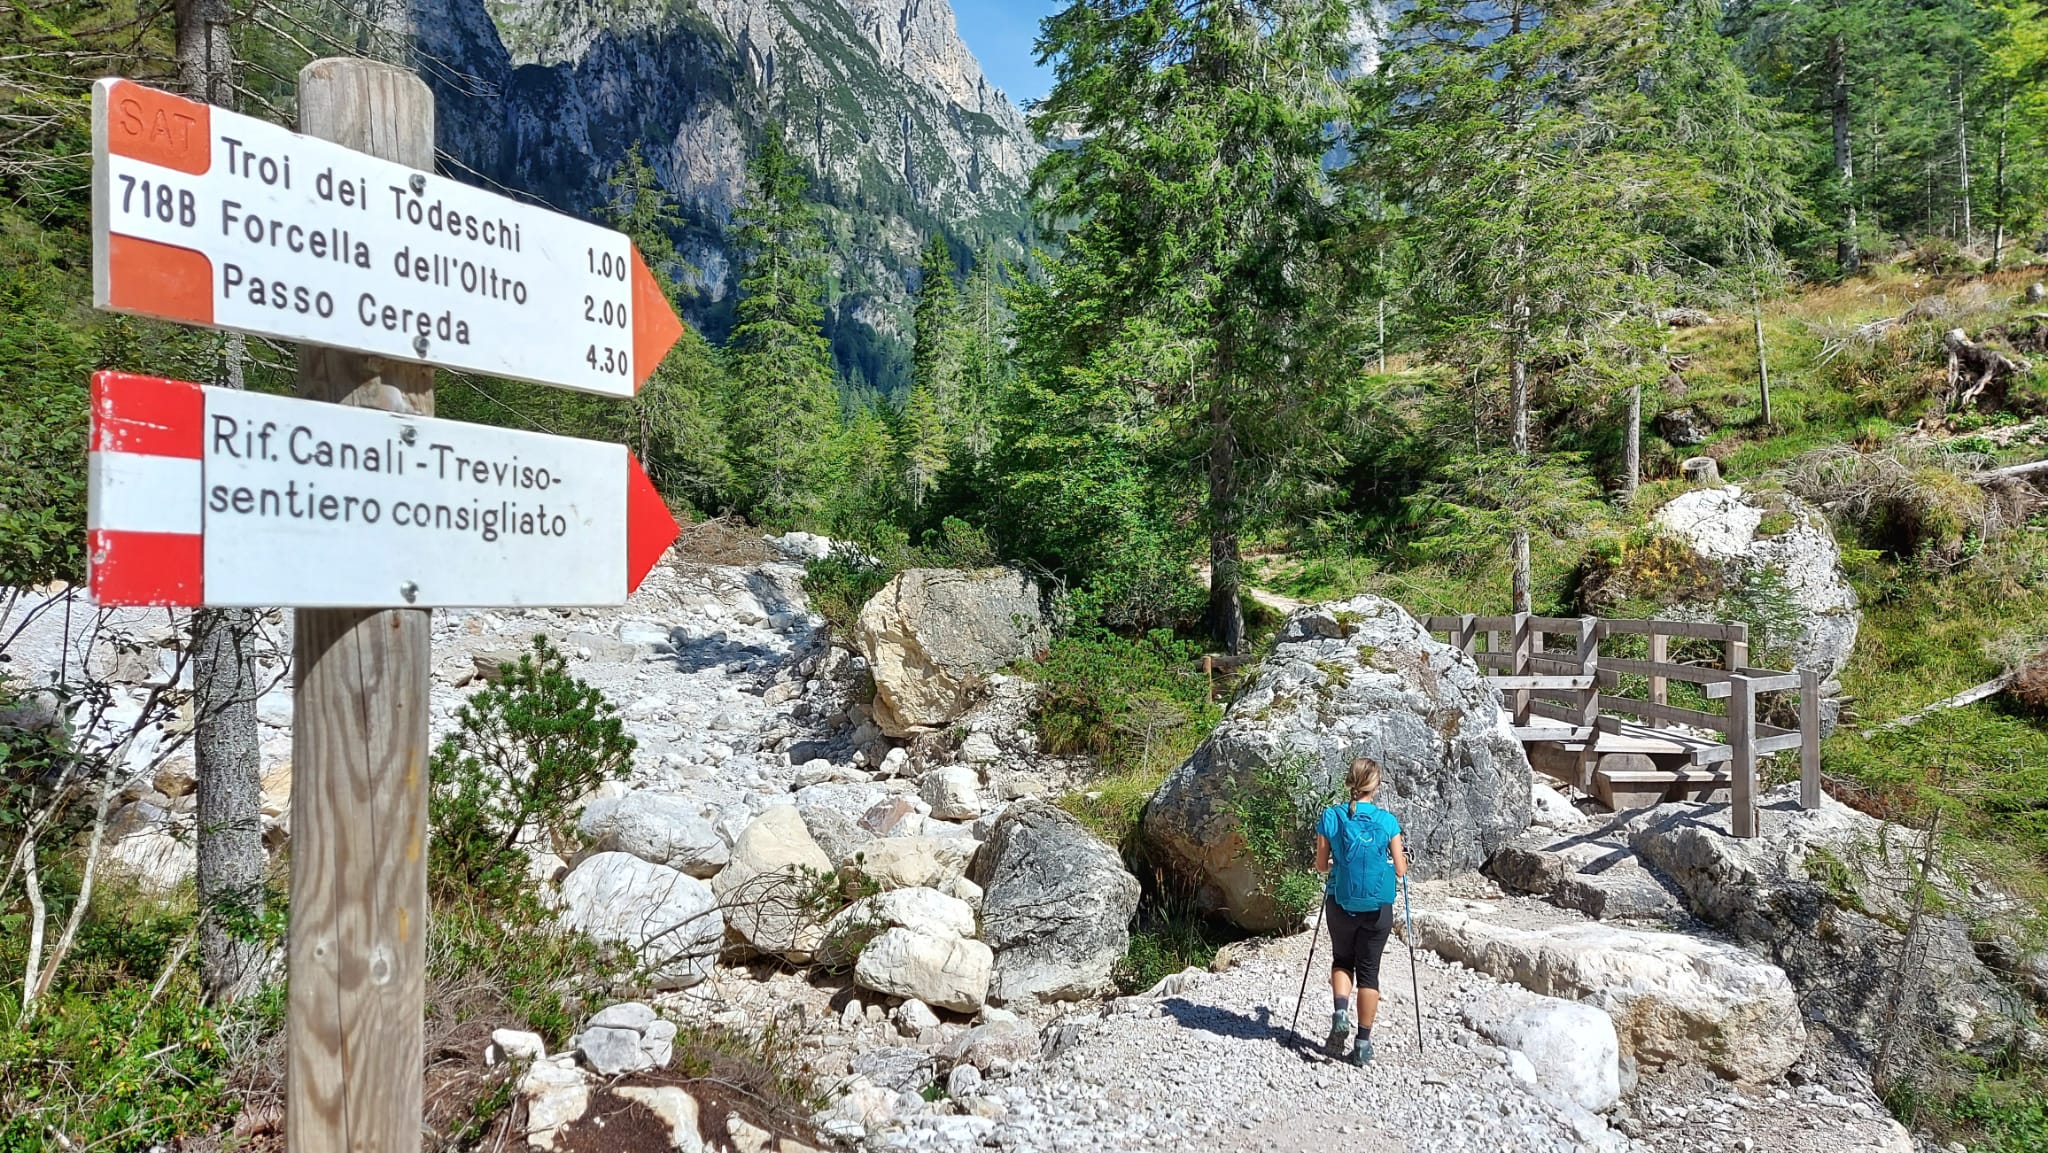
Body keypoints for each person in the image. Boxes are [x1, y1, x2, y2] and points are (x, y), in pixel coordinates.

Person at [1313, 756, 1407, 1065]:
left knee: (1342, 959)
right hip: (1377, 910)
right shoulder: (1387, 822)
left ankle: (1341, 1011)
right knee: (1369, 973)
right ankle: (1363, 1044)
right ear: (1375, 786)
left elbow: (1320, 866)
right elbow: (1401, 870)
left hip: (1340, 903)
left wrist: (1337, 863)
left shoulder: (1331, 817)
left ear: (1349, 782)